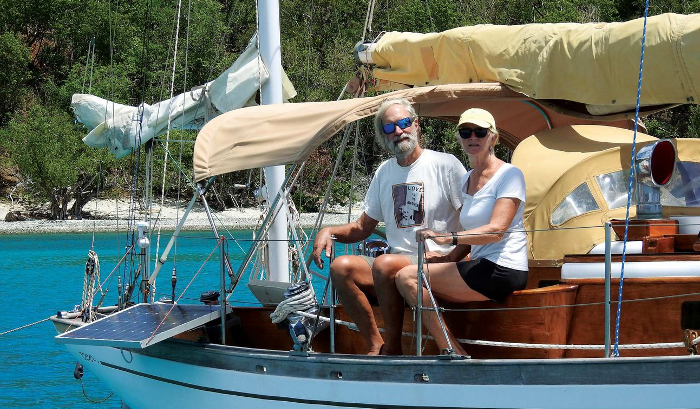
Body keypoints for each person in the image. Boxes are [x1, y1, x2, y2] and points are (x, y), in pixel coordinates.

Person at [312, 98, 468, 355]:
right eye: (389, 127)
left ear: (416, 125)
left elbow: (471, 221)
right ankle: (376, 343)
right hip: (397, 262)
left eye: (404, 123)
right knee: (341, 267)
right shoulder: (384, 172)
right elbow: (362, 227)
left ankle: (393, 347)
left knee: (385, 263)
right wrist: (327, 231)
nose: (398, 131)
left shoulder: (446, 164)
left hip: (438, 261)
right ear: (383, 136)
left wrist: (455, 255)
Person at [394, 108, 528, 356]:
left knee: (407, 277)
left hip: (504, 269)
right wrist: (448, 258)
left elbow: (496, 231)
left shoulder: (510, 175)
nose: (472, 137)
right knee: (406, 274)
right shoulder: (466, 179)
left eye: (480, 132)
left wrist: (448, 238)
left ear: (493, 137)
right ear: (460, 139)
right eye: (466, 132)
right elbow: (471, 233)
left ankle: (452, 351)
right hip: (480, 266)